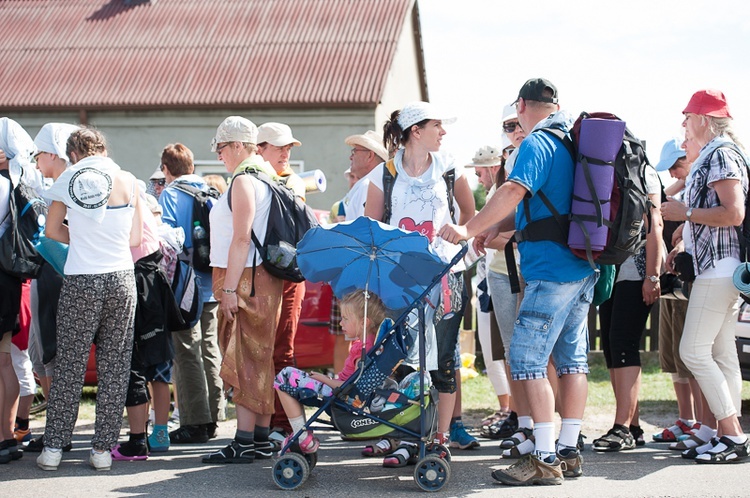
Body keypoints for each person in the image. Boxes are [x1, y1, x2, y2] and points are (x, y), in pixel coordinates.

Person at [440, 78, 596, 485]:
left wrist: (466, 227)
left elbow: (513, 189)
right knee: (571, 361)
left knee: (527, 362)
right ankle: (568, 449)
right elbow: (540, 208)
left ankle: (544, 459)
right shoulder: (573, 140)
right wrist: (492, 228)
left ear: (523, 105)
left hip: (549, 270)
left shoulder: (538, 142)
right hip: (581, 265)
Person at [364, 101, 476, 449]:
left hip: (446, 275)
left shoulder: (449, 168)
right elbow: (371, 231)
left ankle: (440, 438)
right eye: (437, 125)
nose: (443, 132)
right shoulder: (383, 174)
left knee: (444, 357)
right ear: (416, 130)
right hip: (400, 280)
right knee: (403, 358)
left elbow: (470, 219)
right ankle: (409, 435)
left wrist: (459, 231)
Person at [37, 127, 143, 472]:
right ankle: (101, 451)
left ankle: (53, 449)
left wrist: (80, 235)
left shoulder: (69, 177)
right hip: (121, 278)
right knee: (115, 366)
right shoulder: (128, 178)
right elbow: (135, 236)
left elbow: (52, 231)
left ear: (73, 155)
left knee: (70, 363)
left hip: (83, 277)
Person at [661, 89, 749, 463]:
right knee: (721, 354)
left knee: (692, 351)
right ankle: (721, 433)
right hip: (721, 268)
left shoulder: (721, 154)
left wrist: (686, 215)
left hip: (719, 270)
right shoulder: (717, 154)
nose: (683, 123)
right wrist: (688, 230)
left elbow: (734, 214)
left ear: (704, 119)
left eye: (687, 116)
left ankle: (731, 435)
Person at [201, 116, 283, 464]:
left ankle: (244, 441)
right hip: (262, 276)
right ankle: (260, 437)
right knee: (259, 356)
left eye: (221, 148)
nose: (219, 155)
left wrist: (230, 289)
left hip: (247, 278)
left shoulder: (245, 181)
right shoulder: (267, 177)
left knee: (244, 356)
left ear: (237, 146)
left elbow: (241, 237)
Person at [592, 138, 664, 452]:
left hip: (636, 273)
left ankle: (622, 426)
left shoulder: (645, 174)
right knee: (610, 344)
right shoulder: (605, 173)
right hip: (611, 271)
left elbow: (655, 227)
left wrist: (653, 275)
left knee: (623, 343)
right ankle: (630, 426)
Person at [159, 143, 225, 445]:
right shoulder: (213, 191)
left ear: (165, 169)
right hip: (213, 281)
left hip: (185, 284)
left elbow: (169, 242)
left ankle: (194, 421)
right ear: (192, 165)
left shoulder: (171, 194)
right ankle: (215, 415)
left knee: (186, 351)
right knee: (210, 348)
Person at [22, 123, 79, 453]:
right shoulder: (58, 184)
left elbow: (57, 234)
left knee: (50, 353)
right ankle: (60, 428)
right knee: (40, 354)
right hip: (55, 272)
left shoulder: (63, 186)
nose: (36, 159)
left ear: (55, 155)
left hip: (54, 273)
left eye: (40, 153)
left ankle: (60, 429)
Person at [274, 290, 387, 454]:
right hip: (339, 390)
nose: (341, 323)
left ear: (363, 323)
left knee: (283, 378)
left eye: (346, 319)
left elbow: (354, 386)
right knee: (287, 378)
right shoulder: (369, 345)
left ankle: (301, 435)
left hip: (339, 393)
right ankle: (301, 434)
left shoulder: (364, 351)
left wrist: (323, 378)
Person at [257, 122, 306, 438]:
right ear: (258, 149)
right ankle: (264, 423)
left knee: (282, 350)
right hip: (258, 275)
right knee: (259, 353)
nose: (286, 153)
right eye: (279, 147)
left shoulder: (292, 181)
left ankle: (286, 425)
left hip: (287, 276)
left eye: (289, 147)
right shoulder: (248, 179)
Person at [652, 137, 702, 443]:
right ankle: (686, 418)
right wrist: (683, 177)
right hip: (671, 285)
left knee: (692, 357)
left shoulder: (700, 189)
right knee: (672, 356)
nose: (672, 173)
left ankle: (699, 422)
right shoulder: (684, 186)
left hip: (693, 282)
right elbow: (656, 203)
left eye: (676, 165)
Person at [464, 146, 512, 430]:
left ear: (494, 167)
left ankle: (510, 410)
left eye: (480, 172)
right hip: (489, 282)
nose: (479, 179)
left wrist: (479, 237)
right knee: (493, 351)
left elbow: (512, 239)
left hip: (502, 280)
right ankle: (506, 407)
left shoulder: (502, 197)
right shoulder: (495, 197)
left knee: (501, 352)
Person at [342, 130, 389, 221]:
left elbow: (363, 228)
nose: (351, 157)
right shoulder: (373, 183)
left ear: (370, 156)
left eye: (354, 152)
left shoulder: (369, 185)